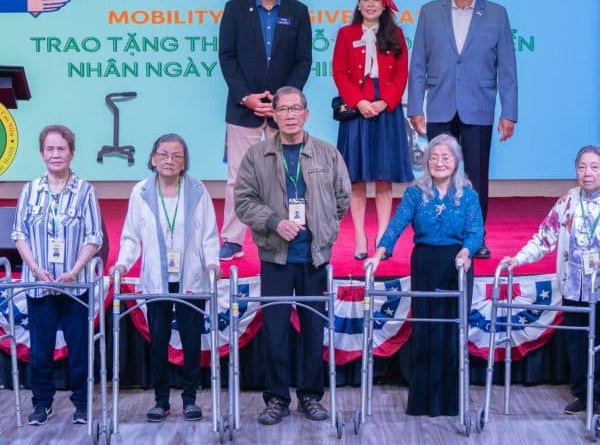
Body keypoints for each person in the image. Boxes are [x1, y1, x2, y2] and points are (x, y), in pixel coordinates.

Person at [234, 86, 351, 425]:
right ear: (273, 115)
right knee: (276, 331)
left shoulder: (327, 154)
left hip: (315, 258)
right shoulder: (257, 157)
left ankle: (311, 397)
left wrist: (323, 227)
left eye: (295, 108)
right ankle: (276, 399)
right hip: (276, 256)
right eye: (282, 109)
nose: (288, 115)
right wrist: (274, 222)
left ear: (306, 113)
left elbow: (342, 198)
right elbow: (243, 202)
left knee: (314, 331)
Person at [407, 0, 517, 259]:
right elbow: (418, 65)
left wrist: (509, 112)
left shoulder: (496, 13)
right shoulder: (430, 12)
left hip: (479, 106)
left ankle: (476, 237)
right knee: (439, 172)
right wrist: (415, 107)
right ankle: (438, 234)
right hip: (440, 104)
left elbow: (507, 67)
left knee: (477, 176)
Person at [365, 133, 483, 416]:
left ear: (457, 162)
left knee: (452, 330)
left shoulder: (468, 194)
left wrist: (467, 252)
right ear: (426, 161)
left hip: (456, 265)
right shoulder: (415, 193)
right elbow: (396, 225)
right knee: (426, 329)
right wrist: (380, 252)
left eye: (446, 158)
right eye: (434, 157)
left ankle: (450, 402)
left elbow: (476, 231)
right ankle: (422, 401)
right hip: (425, 263)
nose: (439, 163)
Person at [110, 133, 221, 423]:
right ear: (153, 159)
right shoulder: (141, 191)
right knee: (158, 342)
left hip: (190, 279)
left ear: (184, 162)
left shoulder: (197, 189)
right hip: (157, 280)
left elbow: (209, 234)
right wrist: (122, 263)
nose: (169, 160)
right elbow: (131, 236)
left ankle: (190, 399)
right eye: (163, 154)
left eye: (176, 156)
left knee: (191, 343)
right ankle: (161, 401)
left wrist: (212, 262)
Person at [218, 0, 312, 261]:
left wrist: (284, 101)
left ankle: (285, 233)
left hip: (284, 113)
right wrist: (246, 96)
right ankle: (232, 238)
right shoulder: (234, 9)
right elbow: (227, 58)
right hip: (243, 108)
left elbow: (303, 61)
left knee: (286, 176)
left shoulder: (298, 12)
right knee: (238, 178)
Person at [11, 125, 103, 426]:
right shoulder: (30, 189)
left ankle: (81, 404)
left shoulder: (85, 190)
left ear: (71, 153)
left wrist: (74, 271)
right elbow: (19, 233)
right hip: (38, 285)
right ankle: (41, 403)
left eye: (61, 149)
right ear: (41, 154)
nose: (55, 154)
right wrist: (36, 268)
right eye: (49, 149)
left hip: (74, 286)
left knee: (79, 351)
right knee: (40, 351)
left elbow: (94, 236)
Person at [502, 145, 600, 415]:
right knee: (577, 344)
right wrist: (518, 259)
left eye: (594, 167)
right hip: (573, 288)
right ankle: (584, 395)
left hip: (599, 289)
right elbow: (545, 236)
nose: (587, 173)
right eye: (582, 167)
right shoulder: (569, 200)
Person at [332, 0, 414, 260]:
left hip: (385, 111)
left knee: (383, 177)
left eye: (375, 0)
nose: (370, 4)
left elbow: (403, 73)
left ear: (384, 4)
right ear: (358, 5)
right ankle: (358, 237)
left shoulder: (396, 35)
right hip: (356, 110)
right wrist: (358, 102)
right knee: (356, 179)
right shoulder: (346, 34)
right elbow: (339, 72)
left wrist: (385, 102)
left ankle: (382, 233)